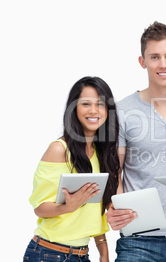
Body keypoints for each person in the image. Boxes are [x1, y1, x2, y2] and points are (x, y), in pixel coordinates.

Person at [106, 21, 166, 261]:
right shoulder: (122, 110)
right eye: (155, 57)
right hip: (138, 238)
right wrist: (114, 207)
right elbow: (115, 170)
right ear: (142, 61)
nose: (163, 64)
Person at [23, 76, 120, 262]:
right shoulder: (59, 149)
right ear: (73, 108)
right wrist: (69, 207)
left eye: (100, 104)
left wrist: (104, 251)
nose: (93, 111)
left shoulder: (102, 154)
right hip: (48, 253)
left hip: (81, 255)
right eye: (85, 104)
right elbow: (39, 207)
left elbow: (93, 212)